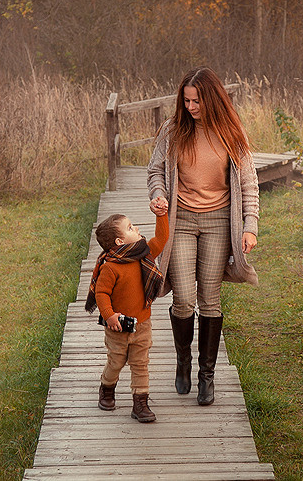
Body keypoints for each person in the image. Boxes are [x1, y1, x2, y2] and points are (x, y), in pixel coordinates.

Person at [147, 66, 259, 406]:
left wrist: (250, 225)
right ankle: (183, 360)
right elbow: (155, 171)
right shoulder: (172, 130)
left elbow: (249, 183)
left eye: (197, 101)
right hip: (180, 220)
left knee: (209, 299)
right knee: (183, 298)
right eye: (186, 100)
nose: (191, 107)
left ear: (212, 99)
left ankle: (206, 375)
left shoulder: (231, 132)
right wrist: (158, 194)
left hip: (218, 222)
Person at [85, 211, 170, 423]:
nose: (137, 228)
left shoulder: (144, 254)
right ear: (119, 241)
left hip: (142, 324)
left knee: (140, 364)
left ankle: (140, 403)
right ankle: (107, 388)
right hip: (118, 327)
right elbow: (101, 293)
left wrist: (162, 215)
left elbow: (161, 239)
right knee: (116, 362)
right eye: (130, 227)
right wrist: (109, 315)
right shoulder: (110, 267)